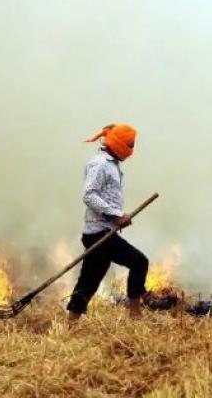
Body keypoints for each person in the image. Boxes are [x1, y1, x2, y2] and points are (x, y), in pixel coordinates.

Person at [67, 124, 149, 321]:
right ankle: (135, 314)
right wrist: (116, 215)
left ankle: (72, 322)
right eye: (130, 145)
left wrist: (116, 217)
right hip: (99, 233)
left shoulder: (111, 164)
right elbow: (89, 195)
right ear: (119, 144)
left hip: (102, 232)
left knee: (89, 279)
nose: (131, 150)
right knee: (139, 262)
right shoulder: (100, 164)